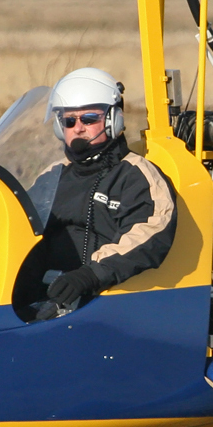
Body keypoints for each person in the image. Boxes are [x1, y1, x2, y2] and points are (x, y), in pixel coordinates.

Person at [28, 68, 177, 320]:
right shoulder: (53, 175)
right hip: (46, 299)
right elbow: (22, 225)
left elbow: (150, 233)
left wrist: (91, 275)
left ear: (113, 121)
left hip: (105, 304)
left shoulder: (136, 175)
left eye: (88, 119)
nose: (78, 128)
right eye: (68, 121)